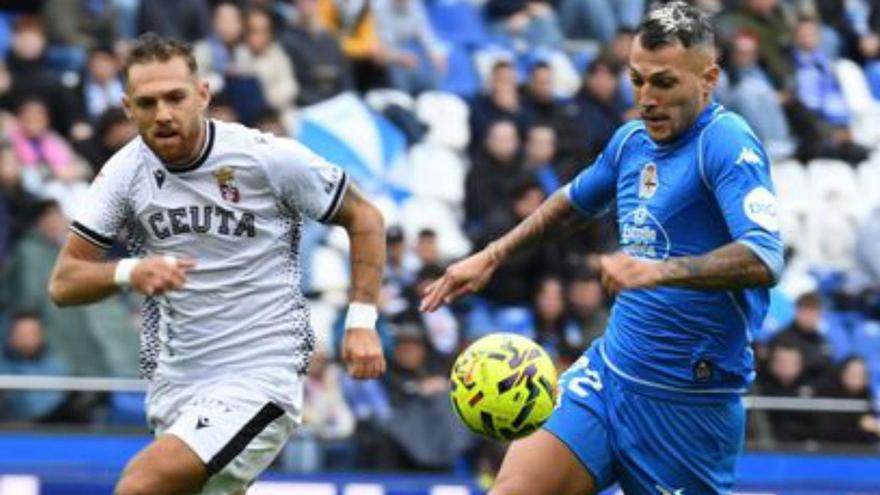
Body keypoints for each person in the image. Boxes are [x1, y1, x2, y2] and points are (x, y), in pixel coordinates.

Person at [421, 3, 783, 494]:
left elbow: (764, 257)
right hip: (607, 378)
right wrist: (492, 255)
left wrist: (661, 271)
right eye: (636, 81)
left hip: (688, 411)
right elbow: (571, 203)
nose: (646, 98)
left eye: (664, 82)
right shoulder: (631, 141)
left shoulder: (725, 142)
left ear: (708, 78)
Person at [47, 33, 387, 495]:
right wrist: (129, 272)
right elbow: (64, 282)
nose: (163, 113)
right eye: (147, 103)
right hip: (176, 381)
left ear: (203, 95)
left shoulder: (264, 157)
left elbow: (363, 215)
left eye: (175, 97)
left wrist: (362, 321)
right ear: (127, 108)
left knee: (141, 485)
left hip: (260, 370)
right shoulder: (123, 174)